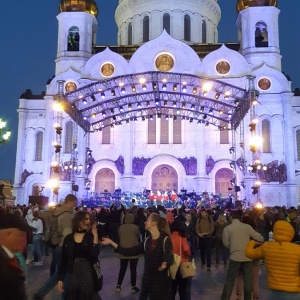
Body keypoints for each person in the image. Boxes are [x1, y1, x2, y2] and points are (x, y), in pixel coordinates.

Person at [101, 213, 174, 300]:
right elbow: (129, 251)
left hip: (161, 284)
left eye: (147, 220)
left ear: (154, 223)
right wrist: (111, 243)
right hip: (147, 281)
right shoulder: (146, 241)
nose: (145, 222)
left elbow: (169, 257)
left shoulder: (165, 240)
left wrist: (165, 263)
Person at [33, 194, 78, 300]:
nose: (74, 206)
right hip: (64, 246)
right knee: (65, 275)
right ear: (70, 202)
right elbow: (67, 234)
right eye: (74, 204)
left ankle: (40, 293)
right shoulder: (66, 214)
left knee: (60, 273)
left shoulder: (57, 211)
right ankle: (62, 297)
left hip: (57, 244)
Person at [246, 220, 300, 300]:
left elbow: (249, 253)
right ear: (291, 233)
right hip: (294, 291)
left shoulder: (267, 246)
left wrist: (252, 243)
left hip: (274, 290)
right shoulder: (297, 249)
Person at [57, 211, 101, 300]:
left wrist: (95, 235)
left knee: (87, 296)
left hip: (87, 271)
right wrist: (60, 278)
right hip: (72, 272)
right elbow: (63, 259)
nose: (89, 221)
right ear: (78, 220)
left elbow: (94, 254)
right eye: (86, 219)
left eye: (89, 219)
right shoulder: (68, 238)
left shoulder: (90, 237)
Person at [221, 210, 264, 300]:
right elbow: (258, 237)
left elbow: (225, 243)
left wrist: (232, 247)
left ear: (231, 217)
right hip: (247, 257)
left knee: (230, 280)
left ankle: (225, 298)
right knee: (248, 280)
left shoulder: (228, 228)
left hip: (234, 257)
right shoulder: (247, 227)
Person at [0, 212, 31, 300]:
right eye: (22, 236)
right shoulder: (3, 264)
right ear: (8, 234)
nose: (25, 242)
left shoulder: (10, 257)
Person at [116, 212, 141, 293]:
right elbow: (137, 237)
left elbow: (119, 237)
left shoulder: (121, 227)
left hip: (123, 251)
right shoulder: (135, 227)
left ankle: (118, 286)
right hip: (134, 251)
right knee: (133, 269)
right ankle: (133, 287)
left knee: (122, 269)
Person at [170, 220, 192, 300]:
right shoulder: (182, 238)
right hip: (181, 265)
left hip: (171, 265)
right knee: (182, 290)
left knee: (172, 290)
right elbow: (187, 250)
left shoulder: (168, 238)